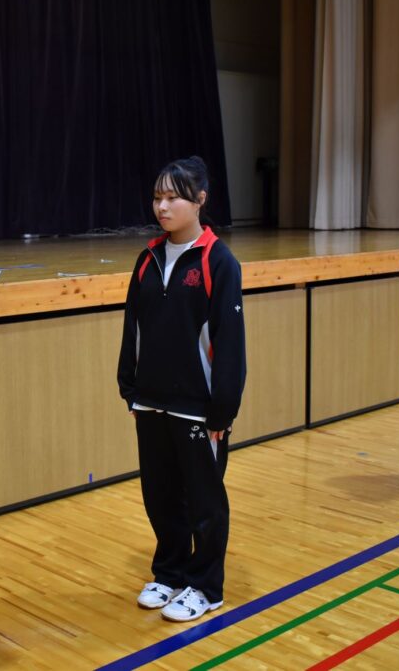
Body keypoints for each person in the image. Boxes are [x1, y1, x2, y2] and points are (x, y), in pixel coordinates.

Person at [117, 156, 246, 623]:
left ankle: (206, 586)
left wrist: (222, 410)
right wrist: (130, 387)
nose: (163, 206)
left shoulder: (218, 261)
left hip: (199, 407)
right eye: (158, 197)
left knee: (204, 501)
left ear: (200, 200)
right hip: (152, 401)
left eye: (173, 197)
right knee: (161, 495)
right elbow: (133, 327)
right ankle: (169, 572)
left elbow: (230, 344)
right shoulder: (147, 259)